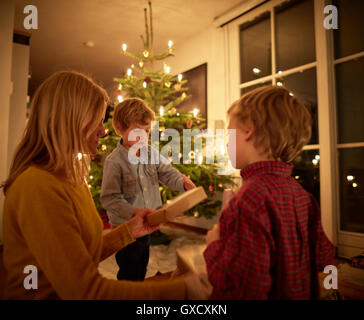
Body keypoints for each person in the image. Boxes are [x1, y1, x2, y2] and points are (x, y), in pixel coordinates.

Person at [0, 70, 207, 300]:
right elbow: (87, 291)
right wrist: (187, 288)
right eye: (97, 121)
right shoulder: (37, 187)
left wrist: (129, 231)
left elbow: (80, 253)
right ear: (69, 121)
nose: (103, 130)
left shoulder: (72, 179)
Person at [204, 85, 336, 299]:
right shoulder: (302, 195)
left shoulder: (248, 200)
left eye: (230, 133)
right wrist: (333, 291)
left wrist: (213, 248)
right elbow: (326, 258)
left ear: (249, 129)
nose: (227, 142)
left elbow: (240, 291)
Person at [100, 98, 195, 281]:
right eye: (137, 132)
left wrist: (182, 181)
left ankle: (139, 288)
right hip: (126, 228)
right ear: (119, 128)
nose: (143, 137)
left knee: (142, 262)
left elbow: (167, 173)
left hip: (148, 223)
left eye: (146, 131)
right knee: (130, 270)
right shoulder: (114, 162)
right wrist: (134, 212)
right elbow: (110, 199)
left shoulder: (150, 153)